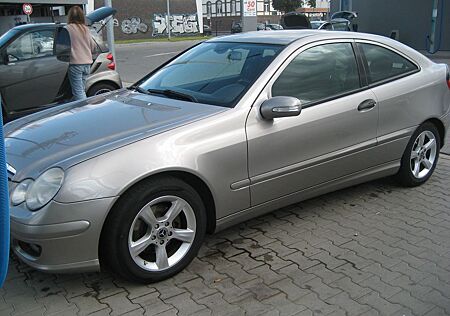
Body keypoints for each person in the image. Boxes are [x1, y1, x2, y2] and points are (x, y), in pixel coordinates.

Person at [66, 6, 96, 100]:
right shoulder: (86, 29)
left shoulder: (67, 29)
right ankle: (77, 108)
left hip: (75, 64)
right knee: (81, 90)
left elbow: (62, 46)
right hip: (87, 64)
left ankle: (84, 110)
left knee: (78, 92)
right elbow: (93, 46)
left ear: (70, 16)